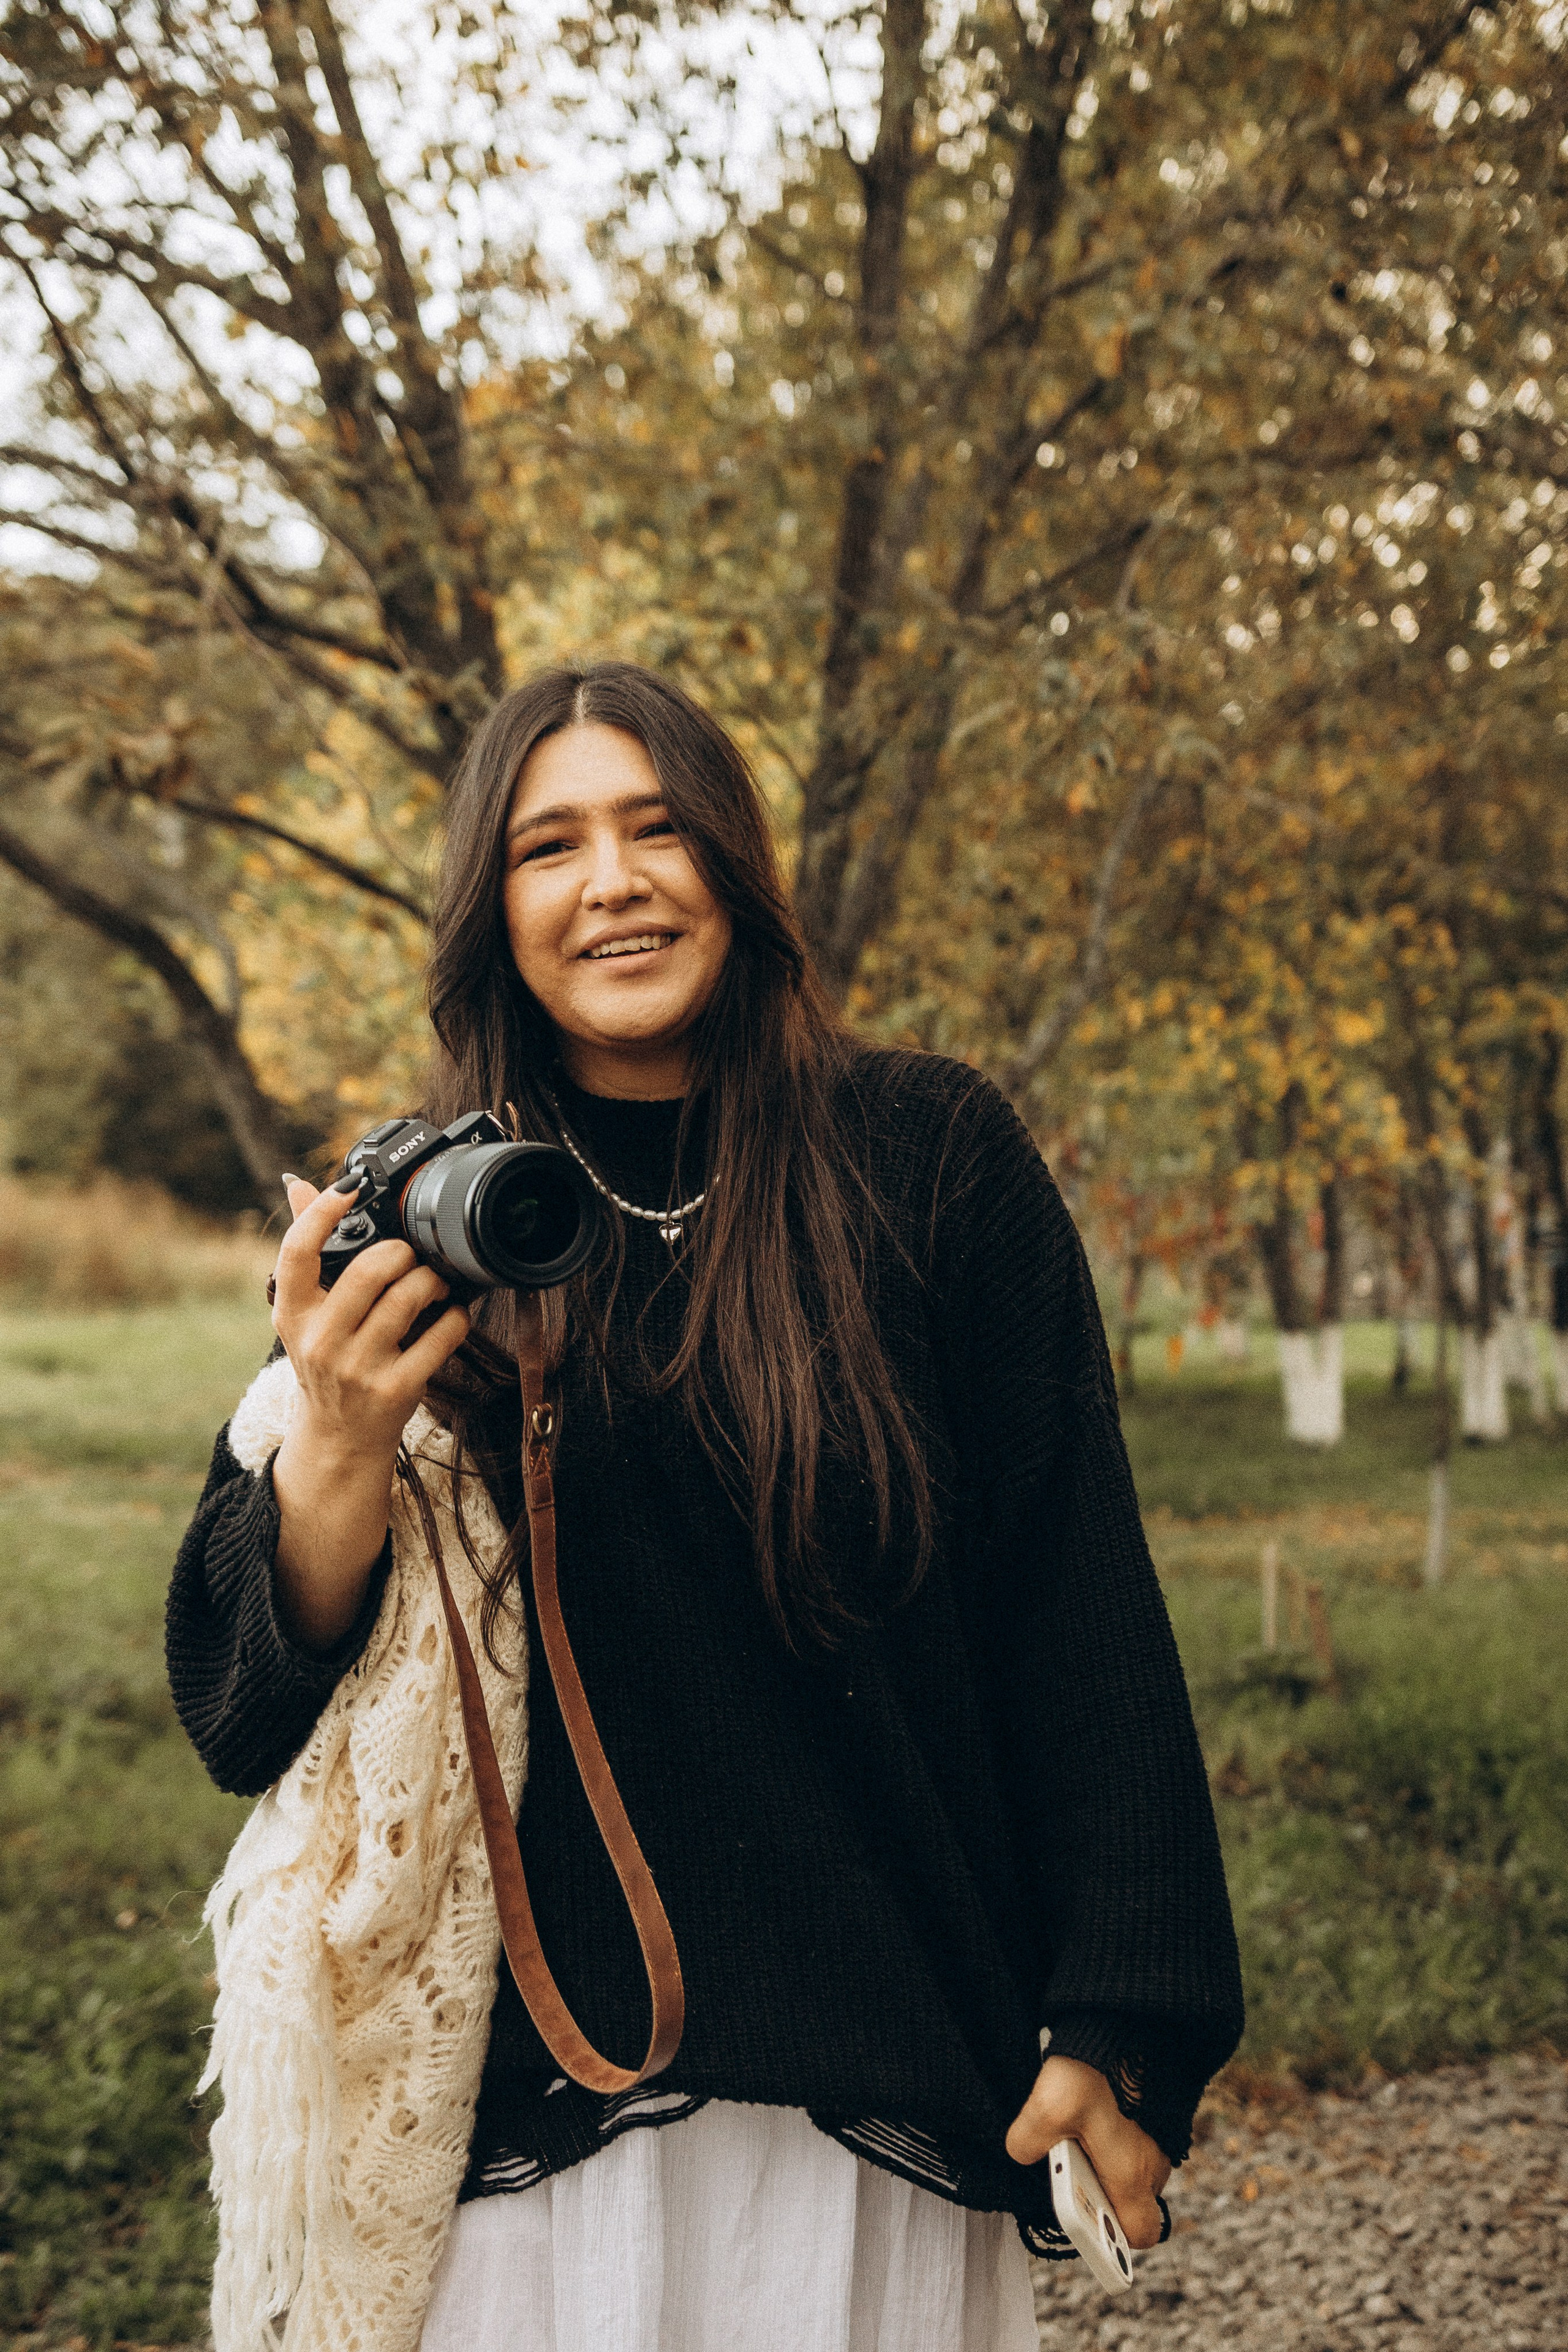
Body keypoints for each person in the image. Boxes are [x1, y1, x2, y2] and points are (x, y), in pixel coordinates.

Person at [168, 662, 1243, 2352]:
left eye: (659, 828)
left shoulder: (928, 1158)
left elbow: (1075, 1604)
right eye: (551, 846)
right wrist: (337, 1446)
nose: (615, 882)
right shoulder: (436, 1221)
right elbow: (243, 1701)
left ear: (735, 865)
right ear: (491, 909)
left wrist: (1122, 2016)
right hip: (529, 2129)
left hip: (871, 2093)